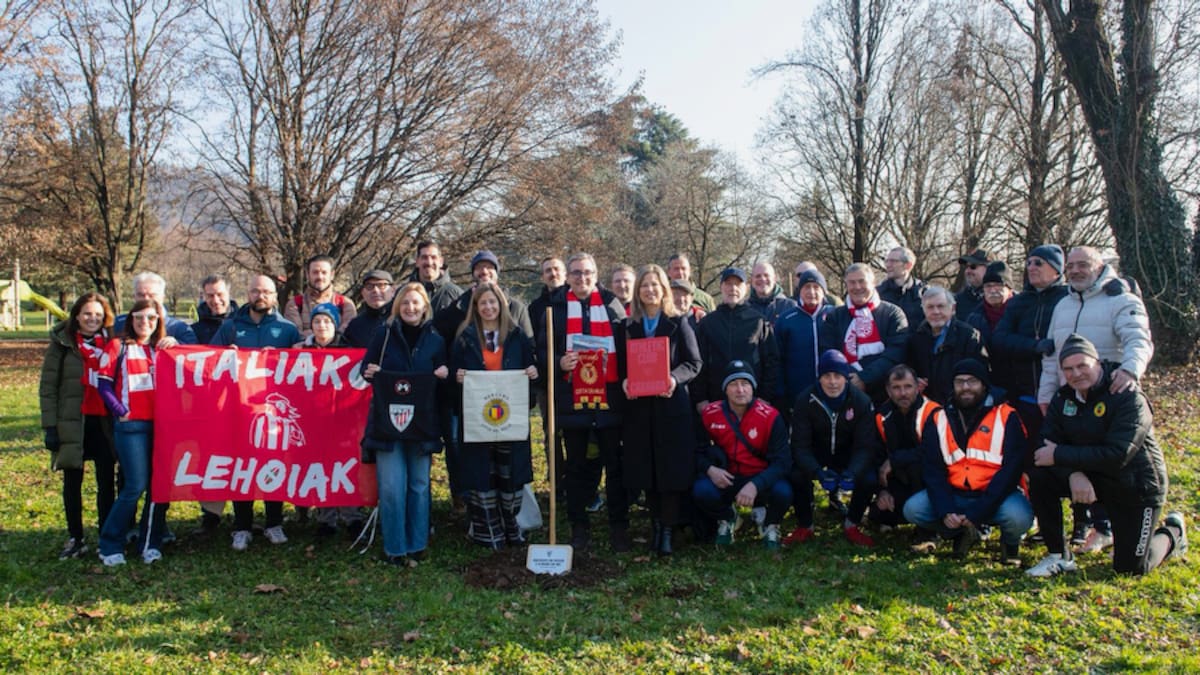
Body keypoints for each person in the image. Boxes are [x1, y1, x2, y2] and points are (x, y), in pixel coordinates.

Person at [1027, 334, 1186, 577]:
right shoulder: (1063, 398)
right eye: (1068, 369)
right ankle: (1059, 555)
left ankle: (1173, 532)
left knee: (1130, 568)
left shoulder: (1127, 396)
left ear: (1098, 362)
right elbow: (1043, 447)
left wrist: (1060, 455)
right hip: (1094, 479)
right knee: (1040, 475)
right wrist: (1072, 473)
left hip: (1136, 486)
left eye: (1082, 365)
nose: (1076, 374)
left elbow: (1118, 454)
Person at [1037, 246, 1154, 553]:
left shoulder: (1121, 299)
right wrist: (1046, 392)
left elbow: (1138, 339)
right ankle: (1090, 526)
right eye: (1070, 265)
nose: (1075, 270)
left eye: (1083, 264)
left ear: (1101, 266)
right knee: (1070, 460)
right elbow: (1052, 355)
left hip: (1112, 398)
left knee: (1110, 461)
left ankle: (1112, 526)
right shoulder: (1063, 304)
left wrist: (1130, 370)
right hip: (1071, 400)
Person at [540, 252, 629, 552]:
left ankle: (619, 526)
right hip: (572, 401)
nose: (582, 278)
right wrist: (558, 362)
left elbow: (627, 349)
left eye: (587, 272)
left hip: (610, 400)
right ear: (568, 276)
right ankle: (579, 525)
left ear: (596, 273)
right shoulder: (554, 308)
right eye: (576, 273)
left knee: (614, 466)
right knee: (576, 467)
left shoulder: (613, 305)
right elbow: (540, 354)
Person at [903, 359, 1033, 563]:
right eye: (959, 382)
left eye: (972, 381)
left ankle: (1009, 543)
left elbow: (1011, 471)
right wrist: (946, 509)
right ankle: (961, 532)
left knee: (1019, 517)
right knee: (913, 509)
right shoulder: (939, 418)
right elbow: (933, 469)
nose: (965, 387)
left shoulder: (1007, 416)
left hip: (998, 496)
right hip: (955, 495)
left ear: (984, 384)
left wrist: (979, 512)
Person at [361, 282, 450, 564]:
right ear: (398, 305)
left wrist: (444, 373)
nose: (411, 308)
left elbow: (444, 380)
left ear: (425, 306)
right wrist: (370, 371)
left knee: (420, 485)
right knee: (391, 486)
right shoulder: (384, 335)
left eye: (416, 303)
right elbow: (365, 367)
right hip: (389, 426)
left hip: (422, 423)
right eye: (405, 302)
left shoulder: (436, 339)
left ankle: (417, 542)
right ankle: (395, 547)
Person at [212, 275, 302, 551]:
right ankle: (242, 526)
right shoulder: (230, 327)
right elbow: (207, 360)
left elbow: (303, 365)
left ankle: (274, 523)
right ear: (247, 294)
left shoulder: (287, 329)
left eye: (266, 291)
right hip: (238, 410)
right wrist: (226, 355)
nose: (260, 296)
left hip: (274, 412)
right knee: (243, 465)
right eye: (255, 291)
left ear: (275, 296)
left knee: (273, 463)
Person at [618, 264, 702, 556]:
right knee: (647, 469)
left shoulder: (679, 322)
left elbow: (694, 363)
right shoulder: (628, 326)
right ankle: (654, 525)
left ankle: (667, 530)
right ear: (638, 292)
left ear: (664, 289)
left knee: (669, 470)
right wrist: (625, 380)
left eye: (655, 285)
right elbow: (619, 367)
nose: (650, 290)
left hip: (671, 408)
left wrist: (673, 379)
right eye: (644, 286)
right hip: (640, 411)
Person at [451, 283, 538, 549]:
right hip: (478, 418)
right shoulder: (465, 337)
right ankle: (487, 530)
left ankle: (513, 526)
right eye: (483, 303)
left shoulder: (516, 336)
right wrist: (458, 376)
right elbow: (454, 372)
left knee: (509, 471)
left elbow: (529, 367)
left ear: (501, 304)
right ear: (475, 309)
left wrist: (533, 372)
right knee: (482, 473)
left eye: (493, 302)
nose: (488, 307)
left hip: (510, 418)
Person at [95, 299, 178, 565]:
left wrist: (174, 347)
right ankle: (109, 544)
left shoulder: (162, 349)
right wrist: (120, 410)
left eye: (152, 318)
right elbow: (103, 384)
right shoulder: (117, 346)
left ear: (158, 321)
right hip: (131, 427)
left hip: (163, 427)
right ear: (130, 319)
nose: (145, 323)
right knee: (135, 486)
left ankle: (150, 542)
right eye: (140, 317)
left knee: (158, 488)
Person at [39, 293, 118, 559]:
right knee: (73, 482)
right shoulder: (62, 344)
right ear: (76, 315)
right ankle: (76, 537)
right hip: (72, 423)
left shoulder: (111, 343)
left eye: (97, 314)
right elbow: (48, 388)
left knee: (106, 482)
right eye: (87, 313)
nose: (92, 319)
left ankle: (106, 535)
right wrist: (50, 426)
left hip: (103, 423)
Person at [692, 360, 792, 549]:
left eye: (745, 384)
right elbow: (695, 451)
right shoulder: (710, 414)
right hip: (727, 477)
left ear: (753, 387)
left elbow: (783, 461)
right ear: (725, 389)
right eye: (733, 384)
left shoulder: (770, 416)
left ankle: (771, 524)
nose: (740, 390)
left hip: (759, 477)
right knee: (701, 490)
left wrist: (756, 484)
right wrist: (710, 469)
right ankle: (728, 518)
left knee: (784, 492)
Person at [784, 350, 879, 547]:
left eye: (838, 376)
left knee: (869, 477)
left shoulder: (861, 401)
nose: (833, 382)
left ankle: (852, 523)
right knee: (796, 474)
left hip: (848, 455)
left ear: (846, 378)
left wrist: (853, 471)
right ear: (819, 378)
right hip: (817, 454)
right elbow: (799, 445)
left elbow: (865, 446)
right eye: (827, 376)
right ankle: (805, 525)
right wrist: (817, 471)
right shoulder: (805, 399)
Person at [294, 303, 365, 538]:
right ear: (311, 325)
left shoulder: (350, 350)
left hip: (345, 419)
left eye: (326, 321)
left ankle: (352, 515)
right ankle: (326, 518)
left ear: (335, 324)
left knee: (346, 466)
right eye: (317, 321)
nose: (322, 326)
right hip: (314, 419)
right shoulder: (300, 351)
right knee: (320, 466)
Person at [691, 268, 780, 411]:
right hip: (715, 403)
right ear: (721, 287)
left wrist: (765, 397)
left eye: (738, 284)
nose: (733, 288)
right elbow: (698, 363)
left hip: (753, 403)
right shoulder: (707, 324)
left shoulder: (759, 322)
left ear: (746, 288)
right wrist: (701, 399)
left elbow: (771, 362)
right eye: (728, 284)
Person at [870, 365, 939, 546]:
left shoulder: (933, 412)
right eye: (896, 387)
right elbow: (876, 455)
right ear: (888, 390)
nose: (903, 393)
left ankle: (927, 533)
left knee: (916, 467)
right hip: (899, 478)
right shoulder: (881, 415)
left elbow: (932, 453)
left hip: (931, 480)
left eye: (908, 387)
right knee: (878, 513)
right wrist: (882, 490)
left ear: (918, 387)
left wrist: (894, 460)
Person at [821, 263, 908, 403]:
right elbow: (828, 350)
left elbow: (896, 353)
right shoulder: (835, 317)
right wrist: (850, 377)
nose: (857, 287)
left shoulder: (893, 314)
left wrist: (865, 378)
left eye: (862, 281)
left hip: (886, 393)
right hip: (847, 390)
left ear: (873, 283)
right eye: (852, 282)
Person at [905, 285, 986, 404]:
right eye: (930, 307)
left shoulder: (969, 336)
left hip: (961, 404)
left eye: (940, 306)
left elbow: (980, 375)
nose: (936, 312)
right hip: (927, 406)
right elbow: (910, 368)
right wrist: (914, 380)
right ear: (923, 310)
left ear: (953, 308)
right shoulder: (915, 338)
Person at [528, 256, 568, 493]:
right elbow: (532, 345)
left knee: (574, 434)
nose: (553, 274)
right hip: (547, 382)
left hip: (573, 380)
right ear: (543, 276)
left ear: (564, 273)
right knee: (551, 433)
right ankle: (557, 482)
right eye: (548, 271)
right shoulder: (535, 308)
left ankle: (576, 482)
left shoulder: (573, 301)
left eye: (556, 269)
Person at [775, 269, 833, 417]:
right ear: (799, 290)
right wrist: (781, 393)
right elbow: (777, 359)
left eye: (816, 287)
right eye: (807, 287)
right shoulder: (786, 319)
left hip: (832, 391)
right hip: (798, 394)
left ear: (823, 291)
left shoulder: (834, 314)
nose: (811, 292)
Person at [112, 272, 197, 344]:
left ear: (162, 297)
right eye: (140, 295)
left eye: (152, 295)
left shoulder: (180, 329)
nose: (146, 299)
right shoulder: (118, 324)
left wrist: (177, 345)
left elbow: (194, 355)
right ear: (134, 297)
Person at [284, 254, 356, 335]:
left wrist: (310, 334)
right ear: (307, 275)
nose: (320, 277)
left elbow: (347, 336)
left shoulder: (346, 304)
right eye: (315, 272)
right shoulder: (294, 304)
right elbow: (295, 336)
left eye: (324, 272)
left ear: (332, 275)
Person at [343, 270, 396, 348]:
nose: (375, 290)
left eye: (381, 285)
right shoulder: (355, 326)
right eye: (369, 286)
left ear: (393, 290)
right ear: (363, 293)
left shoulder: (403, 319)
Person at [876, 246, 927, 327]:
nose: (888, 265)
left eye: (893, 261)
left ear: (908, 265)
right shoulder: (877, 294)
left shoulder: (924, 293)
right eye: (887, 261)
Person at [410, 240, 464, 315]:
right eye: (424, 257)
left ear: (441, 262)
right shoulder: (403, 293)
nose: (429, 262)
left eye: (433, 257)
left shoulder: (456, 295)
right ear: (417, 262)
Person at [191, 274, 237, 345]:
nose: (215, 300)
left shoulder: (244, 326)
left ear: (228, 294)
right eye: (210, 296)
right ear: (205, 297)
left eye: (220, 294)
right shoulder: (194, 331)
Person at [747, 262, 796, 326]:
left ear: (774, 279)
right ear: (752, 280)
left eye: (766, 275)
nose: (762, 279)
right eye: (758, 276)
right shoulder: (744, 308)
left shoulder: (790, 306)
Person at [955, 249, 992, 320]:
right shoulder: (958, 301)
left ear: (988, 268)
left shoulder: (1005, 301)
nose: (968, 271)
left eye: (973, 266)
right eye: (966, 267)